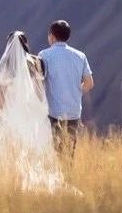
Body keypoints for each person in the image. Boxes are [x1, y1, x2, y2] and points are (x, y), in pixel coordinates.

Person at [0, 31, 64, 192]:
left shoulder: (5, 66)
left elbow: (0, 100)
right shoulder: (35, 62)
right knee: (32, 153)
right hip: (31, 117)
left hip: (12, 118)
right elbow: (39, 93)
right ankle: (32, 188)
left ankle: (11, 188)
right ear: (26, 44)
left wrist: (2, 114)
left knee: (11, 155)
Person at [38, 20, 94, 160]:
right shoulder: (80, 56)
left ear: (52, 36)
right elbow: (89, 83)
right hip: (73, 112)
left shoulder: (44, 55)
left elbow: (39, 82)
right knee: (68, 155)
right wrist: (76, 92)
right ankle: (68, 180)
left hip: (53, 113)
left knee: (53, 156)